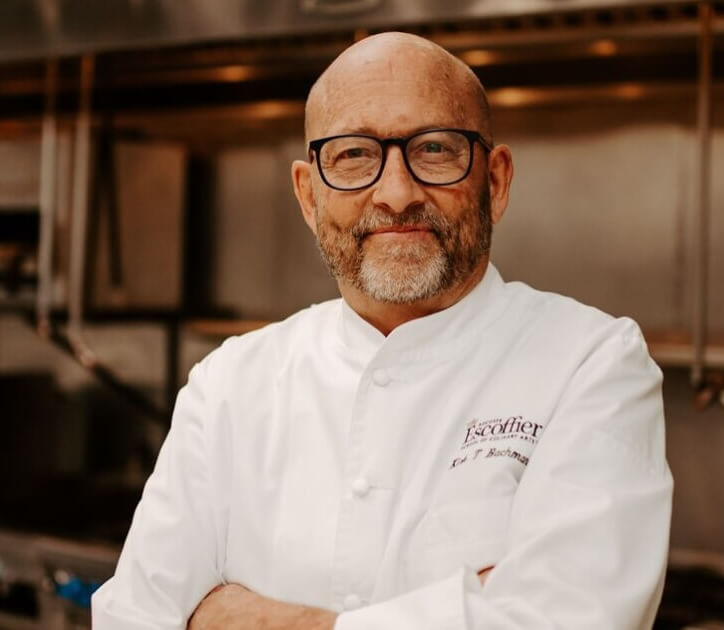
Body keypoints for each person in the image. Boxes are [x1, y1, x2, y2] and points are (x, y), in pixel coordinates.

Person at [92, 31, 673, 630]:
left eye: (436, 149)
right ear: (308, 196)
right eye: (353, 155)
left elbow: (570, 621)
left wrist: (259, 622)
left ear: (494, 182)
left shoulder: (593, 363)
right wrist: (459, 611)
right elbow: (131, 618)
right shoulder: (230, 384)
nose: (396, 194)